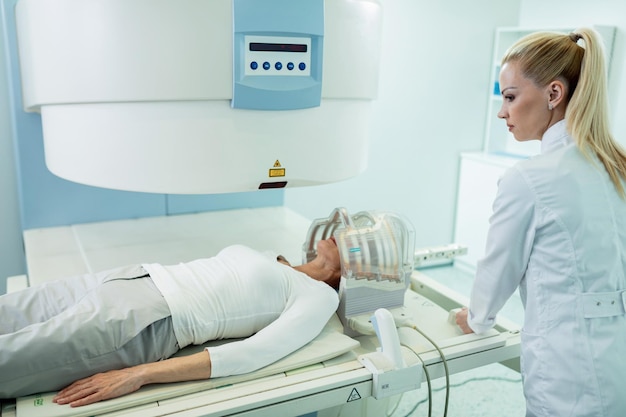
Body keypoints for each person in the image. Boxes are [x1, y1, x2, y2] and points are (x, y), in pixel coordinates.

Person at [455, 27, 626, 416]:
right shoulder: (617, 167)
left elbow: (499, 268)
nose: (502, 111)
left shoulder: (530, 178)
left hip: (568, 372)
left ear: (553, 94)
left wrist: (477, 319)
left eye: (511, 97)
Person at [0, 238, 341, 407]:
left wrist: (139, 374)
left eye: (357, 237)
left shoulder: (320, 297)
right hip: (131, 277)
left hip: (148, 320)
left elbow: (252, 354)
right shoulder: (276, 259)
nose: (345, 231)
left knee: (8, 359)